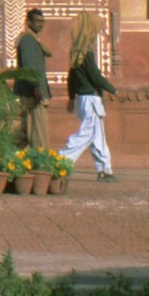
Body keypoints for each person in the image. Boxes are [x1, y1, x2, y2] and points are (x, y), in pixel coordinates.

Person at [60, 11, 117, 181]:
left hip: (84, 98)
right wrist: (113, 89)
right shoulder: (86, 53)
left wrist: (71, 97)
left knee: (97, 136)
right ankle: (59, 161)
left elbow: (71, 77)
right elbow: (95, 76)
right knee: (86, 134)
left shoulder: (76, 52)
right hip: (91, 99)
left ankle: (104, 169)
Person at [14, 7, 52, 148]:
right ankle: (39, 161)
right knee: (37, 130)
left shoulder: (33, 40)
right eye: (37, 21)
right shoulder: (28, 40)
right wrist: (36, 87)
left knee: (28, 130)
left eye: (42, 22)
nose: (40, 25)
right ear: (28, 22)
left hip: (34, 91)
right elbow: (28, 66)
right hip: (31, 92)